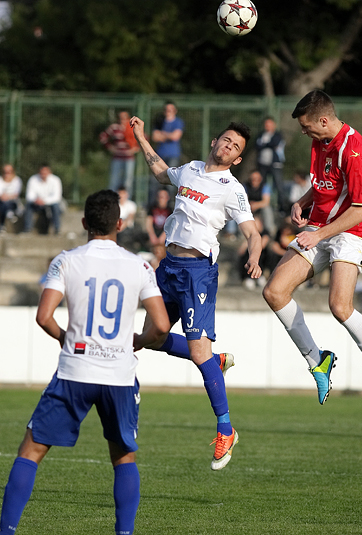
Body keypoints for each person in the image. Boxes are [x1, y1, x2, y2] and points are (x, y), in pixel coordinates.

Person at [0, 190, 170, 535]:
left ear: (84, 223)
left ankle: (7, 532)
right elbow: (162, 326)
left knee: (31, 450)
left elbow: (44, 317)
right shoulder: (140, 265)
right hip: (119, 374)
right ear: (120, 224)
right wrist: (138, 341)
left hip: (75, 370)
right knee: (123, 457)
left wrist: (66, 339)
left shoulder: (66, 260)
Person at [261, 90, 362, 414]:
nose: (304, 132)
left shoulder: (355, 152)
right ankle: (318, 362)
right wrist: (303, 201)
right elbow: (325, 184)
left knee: (339, 306)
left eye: (307, 126)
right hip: (320, 227)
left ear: (324, 120)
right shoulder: (322, 140)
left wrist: (320, 235)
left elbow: (361, 210)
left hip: (349, 232)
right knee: (274, 292)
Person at [131, 114, 262, 470]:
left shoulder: (232, 189)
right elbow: (161, 172)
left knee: (197, 351)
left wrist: (254, 256)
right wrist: (142, 137)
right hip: (168, 268)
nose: (229, 146)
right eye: (226, 140)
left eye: (236, 147)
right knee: (153, 336)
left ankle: (226, 429)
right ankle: (213, 363)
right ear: (214, 142)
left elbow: (253, 232)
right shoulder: (189, 169)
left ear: (237, 159)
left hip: (198, 273)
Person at [100, 110, 140, 197]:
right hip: (117, 157)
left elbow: (143, 138)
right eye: (121, 118)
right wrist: (110, 147)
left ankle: (126, 200)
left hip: (129, 158)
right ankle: (111, 200)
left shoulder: (132, 127)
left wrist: (135, 149)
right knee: (114, 180)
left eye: (125, 118)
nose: (123, 120)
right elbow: (103, 136)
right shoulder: (114, 127)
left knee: (128, 181)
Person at [255, 116, 287, 212]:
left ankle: (282, 207)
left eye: (269, 124)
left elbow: (274, 143)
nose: (267, 126)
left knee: (278, 185)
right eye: (266, 124)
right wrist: (267, 144)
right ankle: (261, 206)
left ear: (274, 125)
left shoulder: (278, 135)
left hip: (275, 164)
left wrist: (264, 144)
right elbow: (256, 146)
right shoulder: (261, 135)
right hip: (263, 164)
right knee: (262, 185)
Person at [23, 164, 62, 235]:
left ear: (49, 172)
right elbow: (29, 195)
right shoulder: (33, 179)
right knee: (28, 206)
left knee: (56, 207)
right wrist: (36, 200)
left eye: (45, 172)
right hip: (37, 203)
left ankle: (57, 229)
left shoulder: (56, 180)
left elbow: (56, 197)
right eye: (42, 173)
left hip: (50, 204)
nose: (43, 175)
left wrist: (44, 201)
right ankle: (27, 229)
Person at [238, 217, 270, 289]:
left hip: (262, 256)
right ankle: (248, 277)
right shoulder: (248, 235)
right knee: (246, 256)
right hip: (249, 256)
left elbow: (262, 244)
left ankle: (260, 277)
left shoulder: (265, 233)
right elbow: (241, 250)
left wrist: (251, 242)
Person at [151, 101, 184, 168]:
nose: (168, 111)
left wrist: (162, 134)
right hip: (159, 154)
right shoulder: (159, 121)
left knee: (170, 176)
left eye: (170, 109)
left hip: (173, 155)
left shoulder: (178, 122)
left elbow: (175, 137)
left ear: (175, 111)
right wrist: (169, 135)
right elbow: (154, 137)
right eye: (166, 109)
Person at [144, 188, 172, 267]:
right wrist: (152, 236)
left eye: (163, 197)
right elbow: (149, 223)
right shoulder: (152, 208)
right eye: (160, 197)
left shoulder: (170, 210)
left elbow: (170, 226)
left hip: (164, 236)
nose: (161, 199)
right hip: (154, 236)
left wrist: (163, 237)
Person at [0, 164, 23, 233]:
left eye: (9, 171)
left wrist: (6, 196)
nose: (7, 174)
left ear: (13, 172)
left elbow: (16, 194)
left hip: (12, 202)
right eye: (5, 172)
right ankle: (9, 213)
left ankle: (2, 225)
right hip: (1, 202)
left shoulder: (17, 180)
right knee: (3, 204)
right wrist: (4, 197)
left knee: (6, 204)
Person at [245, 168, 276, 234]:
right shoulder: (245, 186)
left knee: (267, 209)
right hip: (248, 208)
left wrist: (255, 205)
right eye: (253, 179)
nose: (255, 181)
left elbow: (266, 202)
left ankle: (269, 230)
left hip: (259, 209)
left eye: (257, 179)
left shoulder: (264, 187)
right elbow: (243, 200)